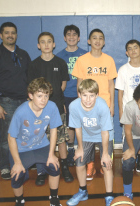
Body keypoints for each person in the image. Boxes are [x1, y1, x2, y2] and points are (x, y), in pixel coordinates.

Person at [8, 77, 64, 206]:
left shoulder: (51, 107)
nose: (43, 100)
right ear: (31, 96)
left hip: (41, 145)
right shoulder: (21, 112)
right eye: (39, 96)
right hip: (21, 149)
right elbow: (11, 137)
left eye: (46, 95)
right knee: (17, 175)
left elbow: (53, 131)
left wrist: (52, 154)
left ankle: (54, 198)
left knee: (55, 167)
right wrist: (18, 162)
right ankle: (19, 202)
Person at [0, 22, 31, 179]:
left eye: (13, 32)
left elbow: (30, 78)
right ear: (1, 35)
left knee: (25, 134)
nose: (10, 35)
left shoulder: (23, 54)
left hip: (25, 101)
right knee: (7, 136)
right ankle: (5, 166)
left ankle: (22, 162)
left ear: (16, 35)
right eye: (7, 33)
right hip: (6, 102)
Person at [28, 32, 73, 184]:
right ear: (38, 45)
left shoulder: (60, 62)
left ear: (54, 44)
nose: (46, 44)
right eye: (43, 42)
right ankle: (42, 170)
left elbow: (62, 86)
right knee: (41, 139)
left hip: (57, 109)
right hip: (39, 110)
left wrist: (61, 105)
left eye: (49, 42)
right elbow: (32, 90)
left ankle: (64, 167)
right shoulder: (34, 65)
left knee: (61, 140)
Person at [72, 28, 117, 180]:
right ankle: (90, 163)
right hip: (87, 104)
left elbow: (111, 84)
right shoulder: (82, 60)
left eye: (101, 38)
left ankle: (106, 163)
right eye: (94, 38)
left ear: (104, 42)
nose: (98, 41)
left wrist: (111, 105)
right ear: (89, 41)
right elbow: (79, 84)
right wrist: (80, 105)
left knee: (107, 136)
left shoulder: (109, 60)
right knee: (87, 136)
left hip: (103, 105)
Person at [66, 79, 114, 206]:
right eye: (85, 95)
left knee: (106, 164)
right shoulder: (74, 106)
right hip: (86, 135)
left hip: (104, 135)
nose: (88, 99)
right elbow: (77, 128)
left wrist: (105, 154)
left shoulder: (102, 106)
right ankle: (83, 191)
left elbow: (105, 131)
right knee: (79, 161)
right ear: (79, 94)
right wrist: (80, 148)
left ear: (97, 95)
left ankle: (109, 197)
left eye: (92, 95)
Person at [116, 39, 140, 177]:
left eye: (135, 48)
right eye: (130, 48)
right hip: (128, 111)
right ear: (127, 52)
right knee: (129, 136)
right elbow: (120, 92)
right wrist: (121, 110)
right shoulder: (123, 69)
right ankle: (129, 159)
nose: (133, 51)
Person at [56, 25, 87, 167]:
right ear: (64, 38)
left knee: (83, 124)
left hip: (83, 95)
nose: (72, 37)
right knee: (69, 125)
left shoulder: (86, 55)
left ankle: (84, 149)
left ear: (79, 38)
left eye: (75, 34)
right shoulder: (59, 56)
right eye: (68, 34)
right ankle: (70, 150)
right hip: (66, 95)